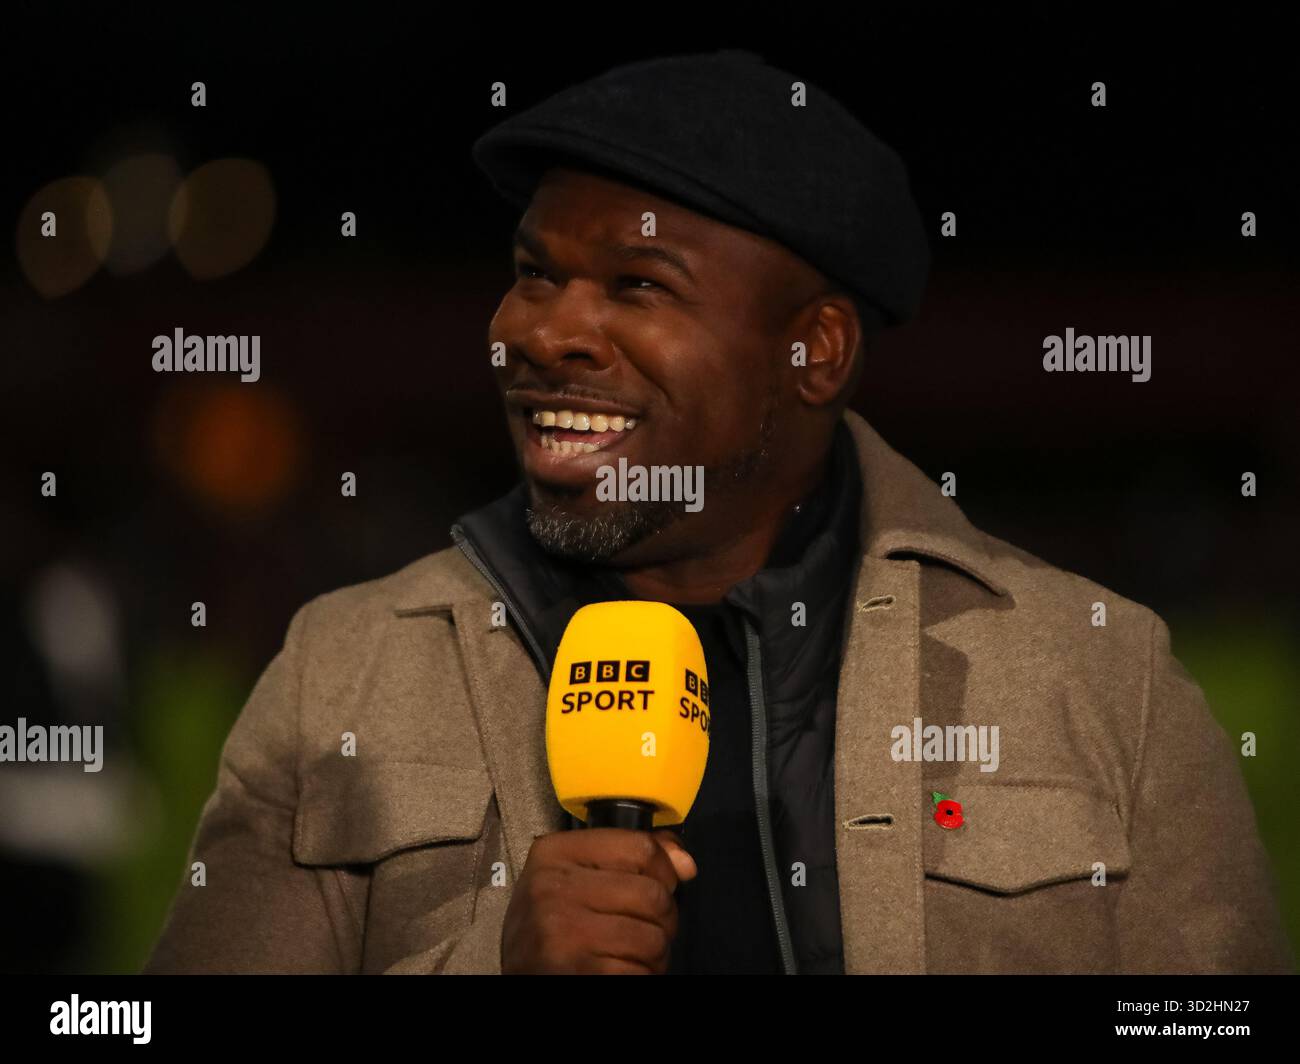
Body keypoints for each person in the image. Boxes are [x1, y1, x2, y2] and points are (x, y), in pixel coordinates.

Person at [144, 50, 1292, 975]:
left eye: (636, 287)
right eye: (535, 271)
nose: (541, 331)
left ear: (814, 351)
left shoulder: (1100, 675)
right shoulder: (338, 673)